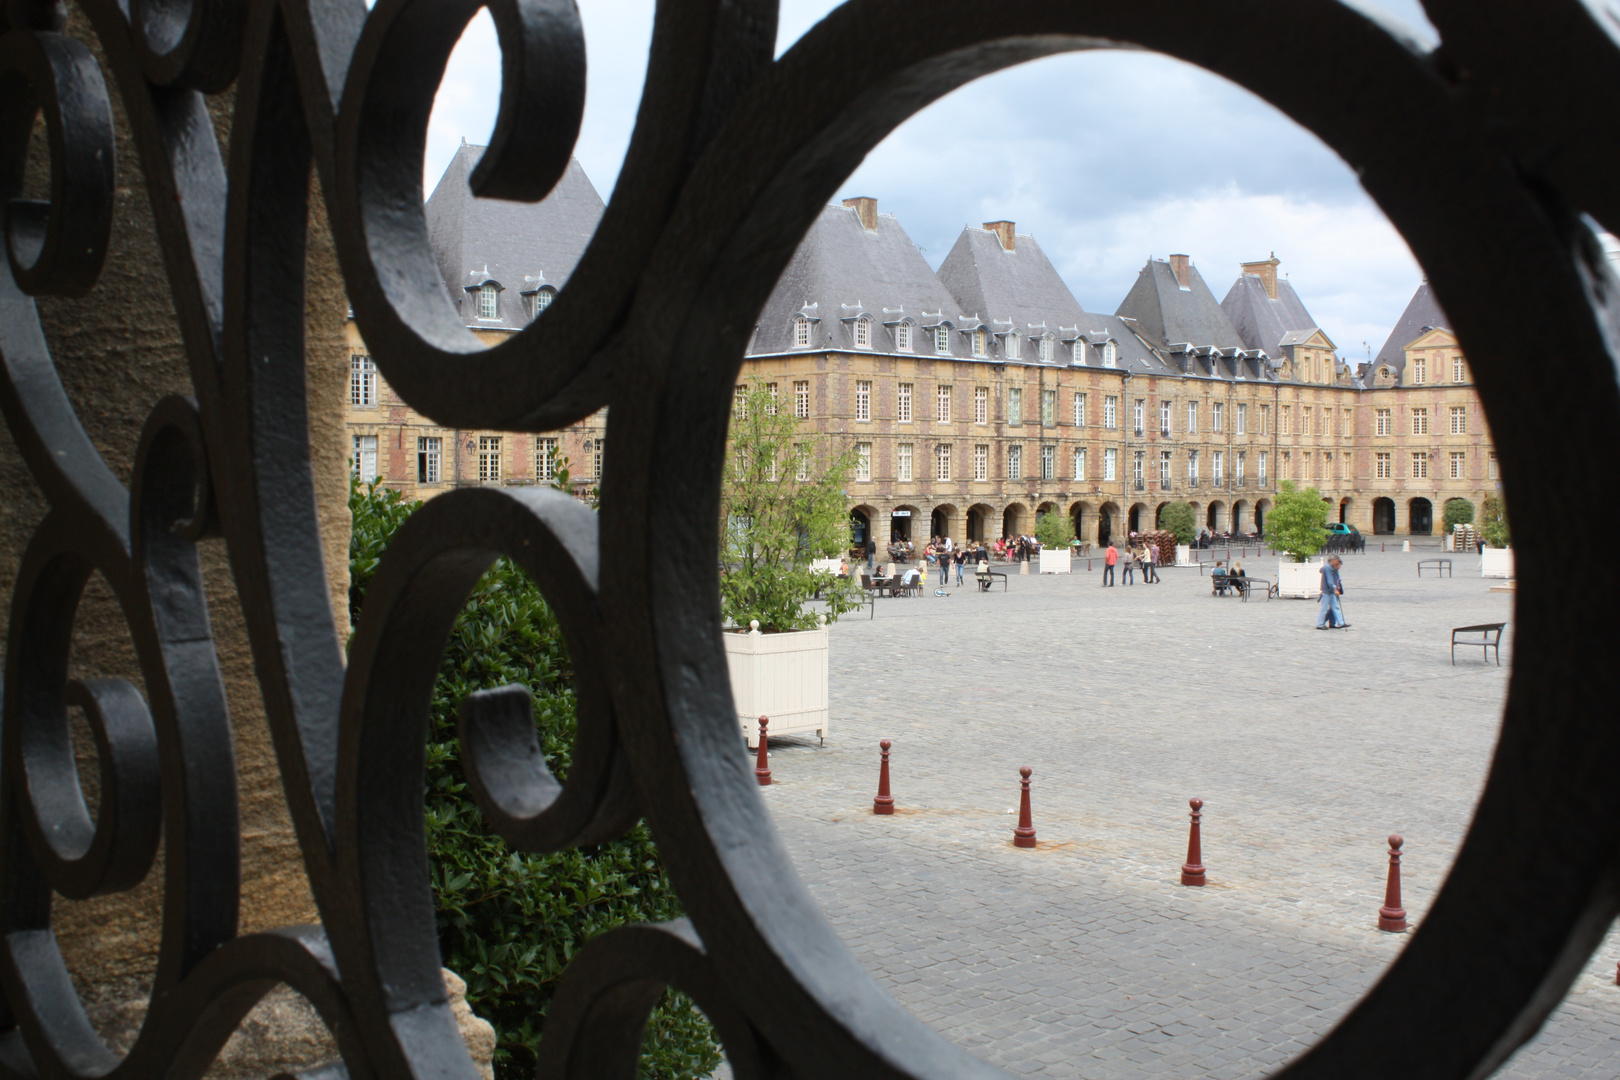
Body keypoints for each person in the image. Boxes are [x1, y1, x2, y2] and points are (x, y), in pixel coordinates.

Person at [1317, 555, 1347, 629]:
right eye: (1337, 561)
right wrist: (1334, 589)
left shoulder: (1331, 568)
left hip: (1330, 591)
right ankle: (1320, 624)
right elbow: (1330, 581)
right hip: (1327, 591)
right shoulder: (1328, 568)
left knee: (1335, 606)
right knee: (1324, 608)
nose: (1337, 563)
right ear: (1333, 560)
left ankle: (1341, 623)